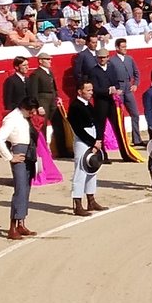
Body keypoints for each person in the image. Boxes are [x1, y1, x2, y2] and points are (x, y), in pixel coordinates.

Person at [65, 80, 108, 216]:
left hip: (93, 138)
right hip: (83, 141)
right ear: (80, 91)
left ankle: (91, 200)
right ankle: (77, 204)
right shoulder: (75, 106)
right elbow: (78, 130)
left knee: (92, 168)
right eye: (88, 90)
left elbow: (96, 123)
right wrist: (93, 142)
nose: (91, 93)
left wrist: (98, 140)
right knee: (81, 170)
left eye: (91, 90)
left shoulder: (88, 105)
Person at [0, 98, 36, 239]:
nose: (32, 114)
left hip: (29, 152)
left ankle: (21, 223)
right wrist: (10, 157)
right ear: (24, 108)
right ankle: (12, 228)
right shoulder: (11, 118)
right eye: (30, 111)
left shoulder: (23, 117)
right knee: (20, 189)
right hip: (19, 152)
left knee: (26, 189)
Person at [105, 38, 143, 144]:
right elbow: (108, 76)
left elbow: (136, 73)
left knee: (135, 114)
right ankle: (121, 140)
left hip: (128, 88)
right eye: (123, 47)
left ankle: (137, 139)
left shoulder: (129, 59)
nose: (125, 49)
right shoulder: (111, 61)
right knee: (118, 115)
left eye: (125, 47)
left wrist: (135, 84)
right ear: (117, 48)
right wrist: (114, 89)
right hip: (119, 89)